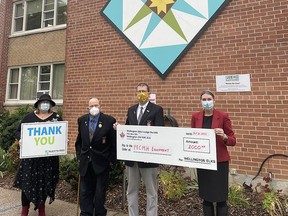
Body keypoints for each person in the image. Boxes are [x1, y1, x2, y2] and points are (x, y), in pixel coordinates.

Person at [14, 94, 62, 216]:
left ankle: (42, 210)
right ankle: (24, 211)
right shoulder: (29, 117)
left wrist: (63, 141)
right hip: (31, 160)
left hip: (48, 160)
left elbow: (61, 134)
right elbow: (18, 131)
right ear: (38, 104)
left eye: (47, 102)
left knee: (45, 184)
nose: (45, 104)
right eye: (43, 102)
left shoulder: (56, 117)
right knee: (26, 184)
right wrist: (20, 140)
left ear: (51, 104)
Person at [191, 90, 236, 216]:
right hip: (203, 161)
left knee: (221, 197)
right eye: (204, 99)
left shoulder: (223, 116)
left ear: (214, 100)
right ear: (200, 101)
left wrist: (224, 136)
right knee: (206, 197)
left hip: (219, 162)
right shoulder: (196, 117)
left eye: (209, 99)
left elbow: (233, 140)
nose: (206, 102)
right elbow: (193, 137)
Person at [125, 82, 164, 216]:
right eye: (139, 91)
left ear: (148, 93)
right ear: (136, 94)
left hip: (149, 158)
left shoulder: (156, 110)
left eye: (143, 91)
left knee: (151, 192)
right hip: (132, 159)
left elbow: (160, 132)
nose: (141, 93)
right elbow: (127, 129)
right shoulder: (131, 110)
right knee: (131, 191)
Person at [75, 97, 117, 216]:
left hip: (102, 163)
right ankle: (86, 213)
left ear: (100, 106)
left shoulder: (109, 121)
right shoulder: (82, 120)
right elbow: (79, 142)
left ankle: (99, 213)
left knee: (99, 193)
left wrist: (111, 161)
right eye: (91, 105)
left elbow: (114, 143)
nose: (94, 108)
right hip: (86, 163)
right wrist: (80, 156)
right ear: (88, 107)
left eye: (96, 105)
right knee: (85, 191)